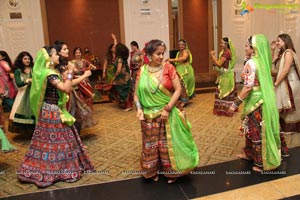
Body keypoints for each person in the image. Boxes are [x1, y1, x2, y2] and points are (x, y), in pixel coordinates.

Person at [17, 46, 94, 187]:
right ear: (49, 58)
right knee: (59, 139)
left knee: (50, 139)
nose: (58, 56)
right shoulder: (49, 74)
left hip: (48, 110)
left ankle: (53, 166)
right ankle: (55, 169)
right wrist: (70, 72)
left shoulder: (47, 73)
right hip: (52, 111)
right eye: (55, 54)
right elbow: (65, 88)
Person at [134, 39, 199, 183]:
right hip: (148, 117)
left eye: (163, 53)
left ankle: (172, 173)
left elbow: (178, 90)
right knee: (150, 145)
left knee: (166, 145)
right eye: (158, 54)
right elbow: (136, 94)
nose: (161, 57)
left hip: (166, 114)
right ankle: (152, 172)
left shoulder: (168, 68)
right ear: (149, 55)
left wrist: (168, 108)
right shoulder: (142, 71)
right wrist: (138, 108)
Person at [229, 34, 282, 172]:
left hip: (255, 102)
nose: (245, 48)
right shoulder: (262, 61)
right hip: (262, 100)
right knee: (250, 127)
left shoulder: (252, 63)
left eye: (247, 46)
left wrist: (235, 103)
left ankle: (260, 162)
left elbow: (247, 87)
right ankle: (249, 153)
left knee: (254, 130)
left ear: (254, 49)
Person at [54, 41, 96, 133]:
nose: (67, 50)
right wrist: (84, 76)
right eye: (64, 49)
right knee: (71, 117)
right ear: (59, 52)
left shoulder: (68, 63)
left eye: (67, 48)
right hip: (66, 95)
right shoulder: (60, 66)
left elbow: (75, 72)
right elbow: (70, 83)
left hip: (72, 93)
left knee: (76, 117)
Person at [271, 34, 300, 134]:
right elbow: (271, 68)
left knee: (289, 107)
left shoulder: (288, 53)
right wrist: (272, 50)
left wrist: (276, 83)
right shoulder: (281, 54)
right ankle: (284, 128)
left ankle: (291, 129)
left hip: (291, 83)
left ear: (285, 41)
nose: (277, 42)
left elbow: (285, 70)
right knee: (282, 106)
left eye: (279, 41)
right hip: (284, 82)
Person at [8, 51, 35, 134]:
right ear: (21, 60)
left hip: (33, 93)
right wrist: (27, 80)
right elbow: (19, 84)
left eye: (29, 58)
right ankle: (26, 131)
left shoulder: (33, 69)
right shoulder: (18, 71)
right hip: (23, 94)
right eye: (25, 59)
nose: (27, 60)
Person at [210, 37, 237, 117]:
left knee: (223, 92)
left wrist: (213, 56)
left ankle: (226, 110)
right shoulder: (223, 51)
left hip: (226, 76)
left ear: (226, 44)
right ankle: (223, 109)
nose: (220, 44)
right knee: (221, 91)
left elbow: (219, 64)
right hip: (223, 75)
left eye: (222, 43)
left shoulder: (227, 53)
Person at [167, 39, 195, 106]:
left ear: (185, 45)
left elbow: (184, 58)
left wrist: (172, 60)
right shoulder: (178, 52)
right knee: (179, 85)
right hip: (180, 70)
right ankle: (180, 100)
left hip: (185, 71)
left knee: (183, 85)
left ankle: (184, 101)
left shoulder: (185, 51)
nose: (181, 46)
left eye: (182, 44)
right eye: (179, 44)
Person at [111, 43, 133, 111]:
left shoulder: (119, 59)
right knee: (123, 91)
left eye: (115, 48)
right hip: (124, 77)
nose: (113, 48)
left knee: (123, 91)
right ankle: (125, 104)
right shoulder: (120, 58)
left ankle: (128, 106)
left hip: (123, 78)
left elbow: (119, 69)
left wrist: (114, 76)